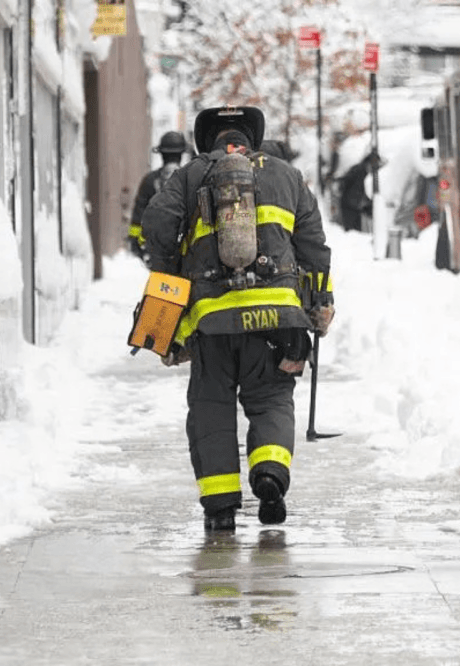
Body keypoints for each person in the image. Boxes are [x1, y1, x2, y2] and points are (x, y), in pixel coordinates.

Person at [141, 105, 335, 533]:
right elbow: (315, 249)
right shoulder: (287, 176)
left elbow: (155, 220)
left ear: (206, 140)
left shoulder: (191, 174)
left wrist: (168, 264)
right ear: (254, 136)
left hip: (213, 320)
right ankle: (270, 475)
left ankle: (221, 505)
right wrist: (320, 302)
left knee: (211, 407)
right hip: (279, 321)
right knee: (270, 401)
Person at [129, 131, 188, 256]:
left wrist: (135, 242)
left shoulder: (150, 180)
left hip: (156, 248)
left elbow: (139, 212)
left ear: (161, 154)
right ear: (181, 153)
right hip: (184, 249)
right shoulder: (190, 179)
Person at [338, 151, 382, 232]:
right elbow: (344, 182)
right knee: (350, 232)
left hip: (357, 207)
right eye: (374, 166)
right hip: (349, 206)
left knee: (356, 233)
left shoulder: (369, 175)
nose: (374, 169)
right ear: (368, 163)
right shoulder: (357, 170)